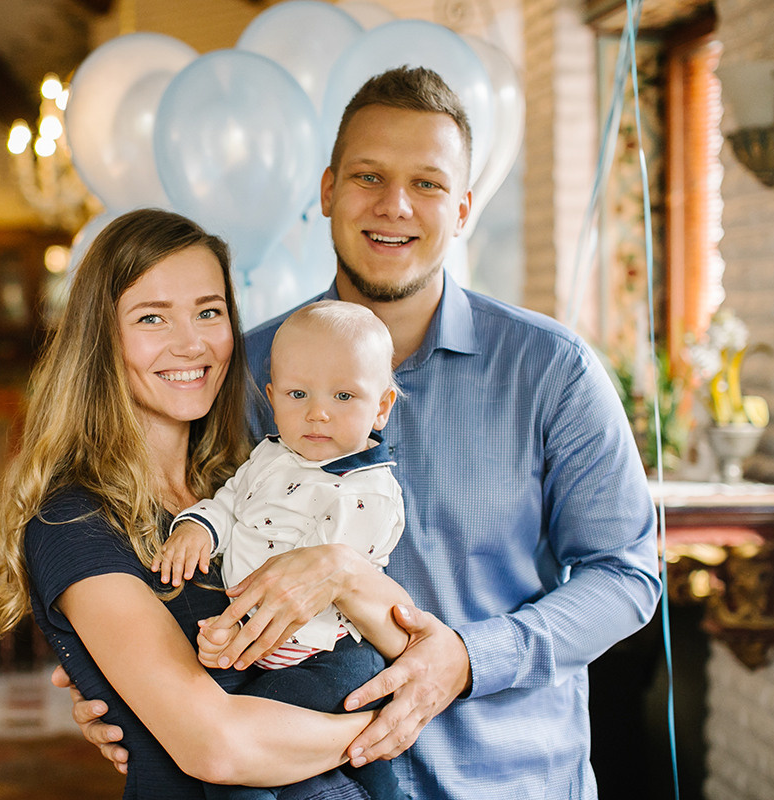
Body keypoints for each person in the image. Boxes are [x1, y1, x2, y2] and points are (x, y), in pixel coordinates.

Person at [60, 67, 663, 799]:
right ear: (326, 191)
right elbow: (168, 549)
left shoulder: (551, 371)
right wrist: (116, 686)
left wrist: (469, 659)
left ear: (464, 207)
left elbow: (626, 574)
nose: (395, 206)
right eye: (368, 176)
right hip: (308, 781)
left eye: (429, 185)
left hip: (506, 779)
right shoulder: (243, 371)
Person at [0, 208, 416, 800]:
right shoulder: (74, 521)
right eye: (152, 317)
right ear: (101, 340)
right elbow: (216, 745)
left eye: (209, 312)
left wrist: (340, 573)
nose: (191, 344)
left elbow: (410, 639)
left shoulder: (244, 477)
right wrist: (387, 727)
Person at [154, 300, 407, 800]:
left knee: (240, 761)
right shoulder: (270, 456)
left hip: (325, 655)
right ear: (272, 398)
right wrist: (199, 529)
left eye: (343, 395)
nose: (317, 412)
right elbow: (230, 503)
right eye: (298, 394)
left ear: (381, 407)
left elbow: (317, 580)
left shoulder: (367, 490)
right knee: (190, 723)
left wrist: (233, 633)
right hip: (259, 648)